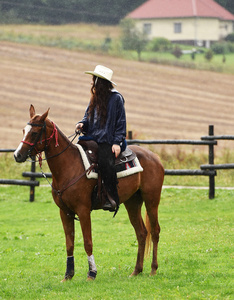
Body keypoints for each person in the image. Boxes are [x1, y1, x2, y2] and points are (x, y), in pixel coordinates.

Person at [76, 65, 127, 214]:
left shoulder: (116, 98)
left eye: (94, 80)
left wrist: (117, 143)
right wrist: (82, 123)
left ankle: (111, 198)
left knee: (106, 162)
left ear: (100, 82)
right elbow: (87, 117)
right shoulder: (95, 97)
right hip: (93, 137)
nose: (92, 84)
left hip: (109, 140)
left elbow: (121, 123)